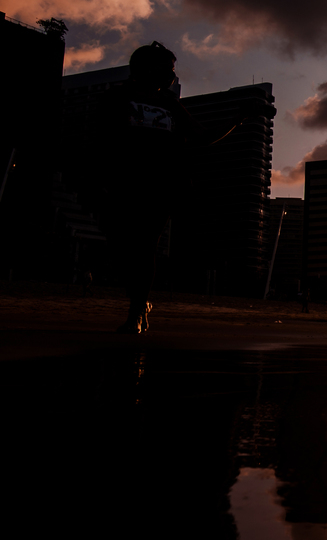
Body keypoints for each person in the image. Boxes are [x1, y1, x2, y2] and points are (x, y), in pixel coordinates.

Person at [75, 42, 274, 333]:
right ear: (145, 67)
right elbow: (99, 143)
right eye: (166, 68)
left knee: (144, 246)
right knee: (121, 247)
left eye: (172, 69)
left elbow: (202, 136)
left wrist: (241, 117)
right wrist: (99, 181)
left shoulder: (169, 104)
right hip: (122, 184)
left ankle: (136, 313)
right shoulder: (116, 98)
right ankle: (139, 301)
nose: (171, 75)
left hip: (161, 186)